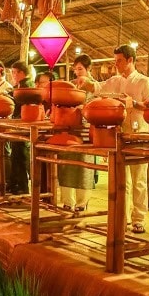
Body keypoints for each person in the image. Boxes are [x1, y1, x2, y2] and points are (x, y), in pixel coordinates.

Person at [76, 44, 149, 233]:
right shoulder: (115, 80)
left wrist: (134, 103)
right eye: (115, 61)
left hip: (138, 134)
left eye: (119, 61)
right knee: (122, 179)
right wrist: (84, 82)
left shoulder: (144, 82)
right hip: (119, 135)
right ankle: (123, 217)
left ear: (130, 60)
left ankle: (139, 218)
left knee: (139, 179)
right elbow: (97, 87)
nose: (116, 64)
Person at [59, 54, 96, 212]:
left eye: (80, 69)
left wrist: (85, 109)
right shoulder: (71, 85)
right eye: (75, 69)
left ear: (89, 69)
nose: (77, 72)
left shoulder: (94, 86)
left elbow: (96, 105)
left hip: (87, 129)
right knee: (66, 164)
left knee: (84, 167)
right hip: (70, 128)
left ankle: (82, 202)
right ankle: (67, 200)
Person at [5, 60, 33, 195]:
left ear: (21, 73)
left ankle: (22, 186)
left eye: (14, 72)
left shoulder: (26, 86)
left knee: (19, 155)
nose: (13, 75)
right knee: (17, 155)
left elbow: (19, 102)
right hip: (20, 123)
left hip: (22, 124)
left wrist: (9, 97)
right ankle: (16, 184)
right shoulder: (22, 85)